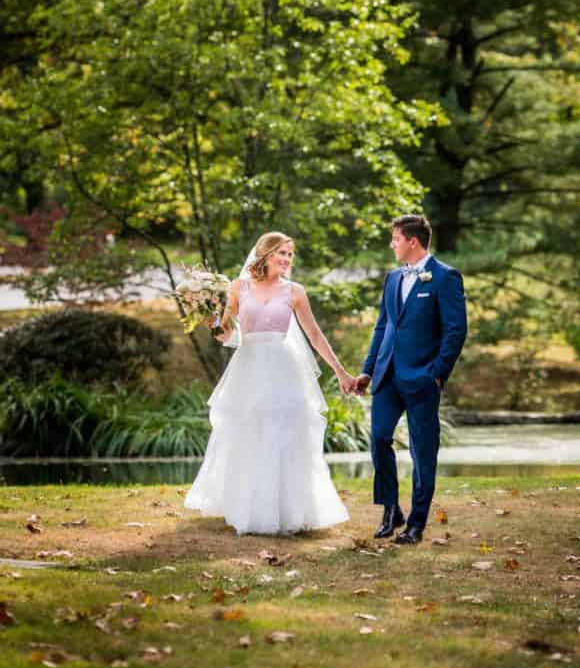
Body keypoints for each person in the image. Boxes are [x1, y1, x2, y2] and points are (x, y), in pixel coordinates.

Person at [184, 232, 353, 536]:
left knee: (285, 434)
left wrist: (341, 372)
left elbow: (314, 335)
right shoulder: (239, 288)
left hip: (284, 369)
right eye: (282, 253)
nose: (287, 259)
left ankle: (290, 510)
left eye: (290, 254)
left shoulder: (295, 292)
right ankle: (249, 509)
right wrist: (209, 320)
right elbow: (228, 335)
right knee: (248, 433)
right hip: (248, 368)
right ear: (265, 254)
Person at [354, 214, 467, 545]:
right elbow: (382, 327)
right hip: (387, 376)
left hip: (422, 379)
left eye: (395, 239)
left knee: (422, 451)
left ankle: (416, 525)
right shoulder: (392, 278)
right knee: (378, 439)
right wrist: (368, 369)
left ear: (412, 241)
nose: (392, 244)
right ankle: (391, 509)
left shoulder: (445, 278)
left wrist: (436, 374)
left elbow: (455, 330)